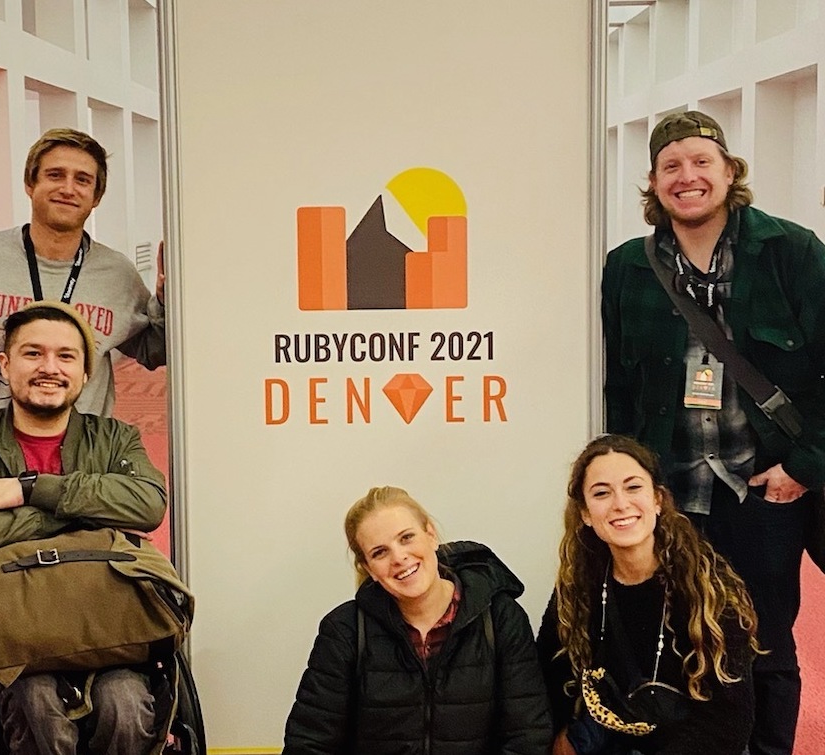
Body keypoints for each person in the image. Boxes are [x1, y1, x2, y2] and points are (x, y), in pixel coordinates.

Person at [601, 109, 825, 755]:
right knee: (672, 640)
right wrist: (630, 490)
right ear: (653, 181)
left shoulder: (790, 251)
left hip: (761, 493)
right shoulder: (628, 269)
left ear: (729, 172)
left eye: (702, 162)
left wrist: (805, 466)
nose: (687, 176)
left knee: (766, 648)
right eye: (671, 165)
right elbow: (619, 387)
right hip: (668, 498)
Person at [0, 300, 171, 754]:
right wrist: (77, 520)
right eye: (32, 353)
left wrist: (32, 489)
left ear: (85, 372)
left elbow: (148, 504)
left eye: (66, 356)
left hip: (102, 632)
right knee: (35, 701)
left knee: (124, 703)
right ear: (4, 363)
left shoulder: (119, 439)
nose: (49, 368)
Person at [283, 485, 553, 754]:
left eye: (406, 538)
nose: (399, 557)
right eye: (380, 552)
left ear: (431, 535)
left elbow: (528, 737)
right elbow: (309, 743)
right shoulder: (345, 630)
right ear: (369, 569)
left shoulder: (500, 618)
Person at [537, 434, 760, 755]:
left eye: (633, 487)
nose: (620, 504)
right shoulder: (578, 585)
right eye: (602, 493)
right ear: (585, 513)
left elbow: (728, 721)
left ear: (657, 499)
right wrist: (561, 737)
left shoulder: (708, 590)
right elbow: (549, 672)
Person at [0, 127, 166, 425]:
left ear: (97, 197)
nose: (68, 189)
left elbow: (152, 350)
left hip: (81, 461)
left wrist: (165, 299)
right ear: (30, 183)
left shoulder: (117, 273)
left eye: (82, 180)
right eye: (55, 175)